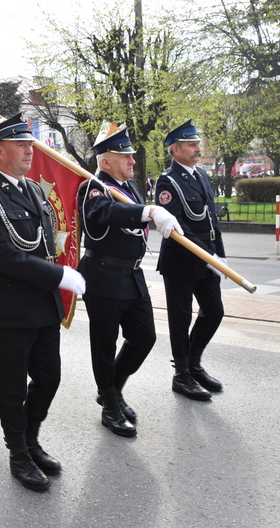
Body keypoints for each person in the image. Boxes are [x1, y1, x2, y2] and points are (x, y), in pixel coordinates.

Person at [0, 113, 86, 492]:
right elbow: (2, 255)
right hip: (7, 307)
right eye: (21, 145)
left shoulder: (33, 190)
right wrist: (58, 276)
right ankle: (18, 452)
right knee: (12, 387)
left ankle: (31, 438)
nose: (29, 152)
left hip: (41, 304)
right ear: (0, 151)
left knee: (49, 377)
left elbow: (45, 242)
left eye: (30, 145)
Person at [77, 125, 182, 437]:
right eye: (124, 156)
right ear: (106, 161)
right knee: (104, 345)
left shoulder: (131, 187)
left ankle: (114, 388)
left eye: (131, 155)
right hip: (103, 275)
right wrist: (148, 211)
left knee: (144, 337)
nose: (132, 160)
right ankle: (109, 405)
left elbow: (137, 212)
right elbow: (103, 212)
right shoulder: (93, 187)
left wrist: (152, 212)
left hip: (131, 275)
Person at [155, 120, 227, 401]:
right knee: (180, 318)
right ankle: (181, 374)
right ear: (176, 150)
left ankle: (194, 364)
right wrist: (208, 256)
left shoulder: (201, 176)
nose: (199, 148)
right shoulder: (168, 182)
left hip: (207, 257)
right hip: (182, 260)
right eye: (192, 145)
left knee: (214, 310)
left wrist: (219, 255)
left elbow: (211, 221)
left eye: (198, 144)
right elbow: (178, 227)